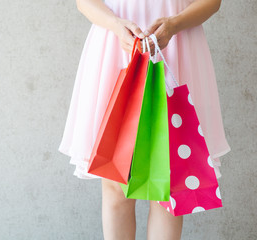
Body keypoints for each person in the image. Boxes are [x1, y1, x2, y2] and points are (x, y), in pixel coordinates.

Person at [58, 0, 231, 239]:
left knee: (168, 185)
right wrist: (116, 25)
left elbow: (212, 1)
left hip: (176, 44)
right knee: (115, 183)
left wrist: (174, 24)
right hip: (116, 47)